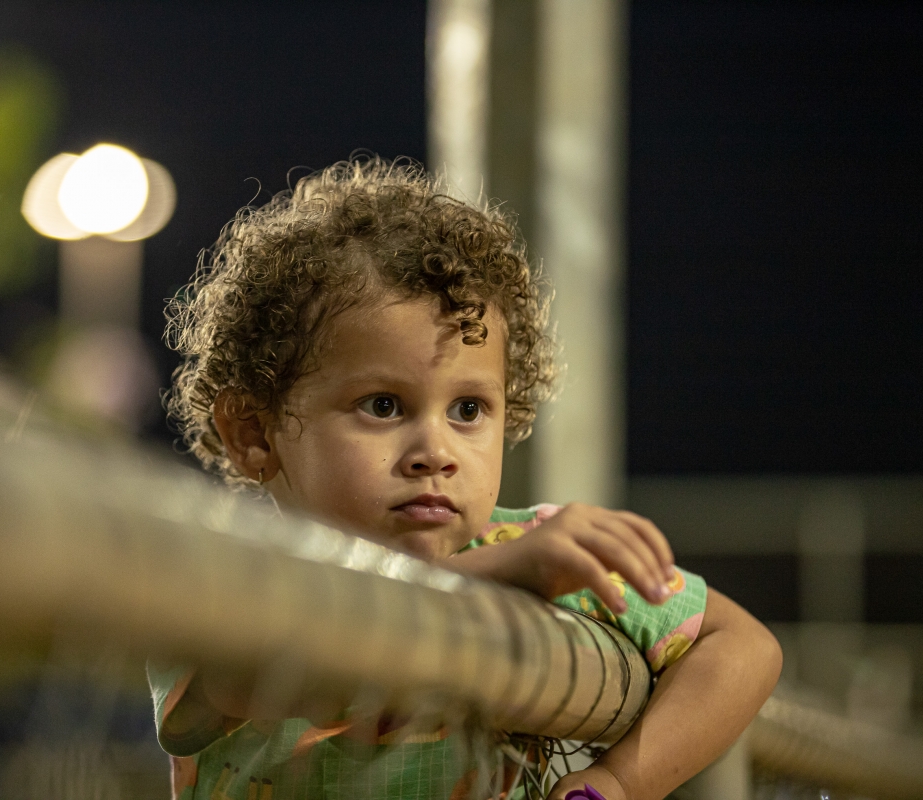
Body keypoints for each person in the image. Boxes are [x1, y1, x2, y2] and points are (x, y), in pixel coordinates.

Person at [149, 158, 781, 800]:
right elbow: (263, 673)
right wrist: (498, 582)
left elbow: (743, 646)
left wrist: (618, 782)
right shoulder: (226, 571)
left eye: (469, 410)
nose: (436, 452)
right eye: (383, 406)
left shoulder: (539, 552)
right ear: (254, 433)